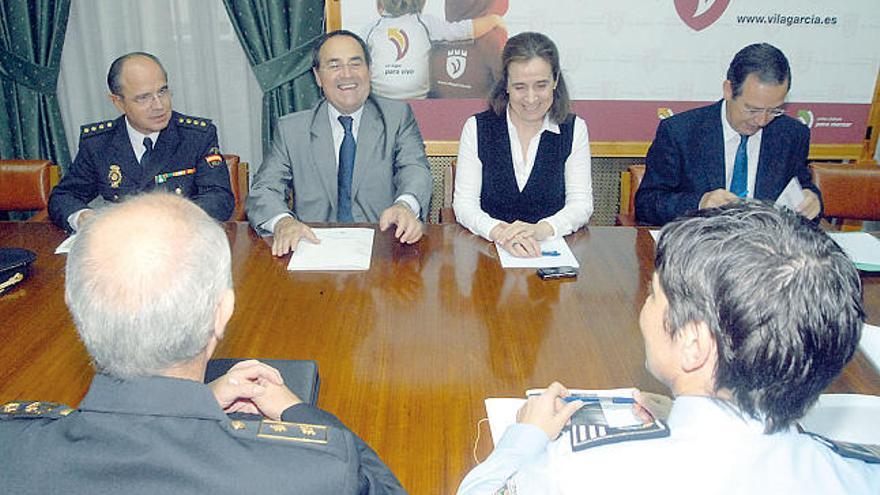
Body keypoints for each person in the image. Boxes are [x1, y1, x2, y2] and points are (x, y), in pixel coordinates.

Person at [457, 201, 878, 494]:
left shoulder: (585, 475)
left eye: (655, 295)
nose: (644, 306)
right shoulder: (858, 475)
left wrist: (526, 436)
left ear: (693, 345)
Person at [0, 193, 406, 494]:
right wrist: (297, 410)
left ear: (75, 307)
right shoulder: (314, 472)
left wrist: (190, 404)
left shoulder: (11, 446)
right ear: (222, 312)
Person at [246, 30, 433, 257]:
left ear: (369, 70)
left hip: (382, 247)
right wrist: (283, 222)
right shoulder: (292, 129)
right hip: (313, 247)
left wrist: (405, 206)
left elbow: (415, 169)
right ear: (317, 76)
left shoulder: (396, 116)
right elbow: (264, 189)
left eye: (355, 64)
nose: (347, 74)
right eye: (334, 66)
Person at [635, 43, 822, 226]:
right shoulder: (681, 132)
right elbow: (647, 203)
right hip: (702, 246)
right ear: (728, 90)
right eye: (752, 109)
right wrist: (699, 203)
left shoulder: (792, 135)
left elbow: (801, 186)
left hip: (765, 248)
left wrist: (812, 199)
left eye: (774, 110)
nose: (762, 120)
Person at [48, 52, 234, 231]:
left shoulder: (196, 137)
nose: (159, 105)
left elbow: (219, 198)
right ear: (118, 102)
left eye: (162, 92)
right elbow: (64, 196)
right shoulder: (99, 144)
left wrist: (170, 220)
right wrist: (82, 217)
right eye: (143, 98)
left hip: (180, 240)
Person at [452, 32, 593, 257]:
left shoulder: (574, 129)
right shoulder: (477, 128)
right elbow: (464, 205)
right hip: (490, 254)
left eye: (540, 85)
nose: (530, 98)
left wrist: (540, 230)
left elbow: (581, 204)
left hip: (550, 254)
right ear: (505, 84)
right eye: (519, 87)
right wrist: (500, 232)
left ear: (555, 80)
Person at [364, 0, 505, 100]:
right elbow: (461, 30)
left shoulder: (370, 29)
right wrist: (493, 20)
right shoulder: (425, 23)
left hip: (381, 99)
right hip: (417, 99)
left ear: (380, 4)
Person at [429, 0, 508, 99]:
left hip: (437, 110)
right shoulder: (493, 39)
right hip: (479, 110)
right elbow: (508, 87)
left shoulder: (437, 34)